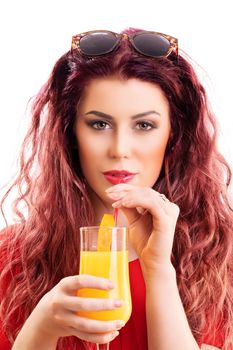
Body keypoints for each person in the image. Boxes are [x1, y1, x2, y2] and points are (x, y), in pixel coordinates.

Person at [0, 28, 232, 350]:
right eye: (99, 124)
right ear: (70, 135)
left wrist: (159, 272)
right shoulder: (11, 260)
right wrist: (42, 325)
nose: (120, 149)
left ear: (173, 137)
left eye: (144, 125)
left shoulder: (220, 258)